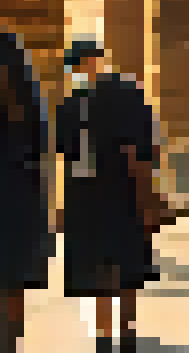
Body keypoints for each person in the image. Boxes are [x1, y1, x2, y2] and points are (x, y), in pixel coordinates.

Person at [57, 40, 161, 353]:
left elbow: (67, 151)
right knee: (120, 264)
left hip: (97, 192)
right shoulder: (127, 95)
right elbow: (148, 146)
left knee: (105, 266)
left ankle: (111, 335)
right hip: (117, 190)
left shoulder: (78, 103)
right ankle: (120, 333)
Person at [0, 31, 51, 353]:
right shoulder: (12, 51)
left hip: (15, 180)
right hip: (15, 183)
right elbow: (38, 130)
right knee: (11, 277)